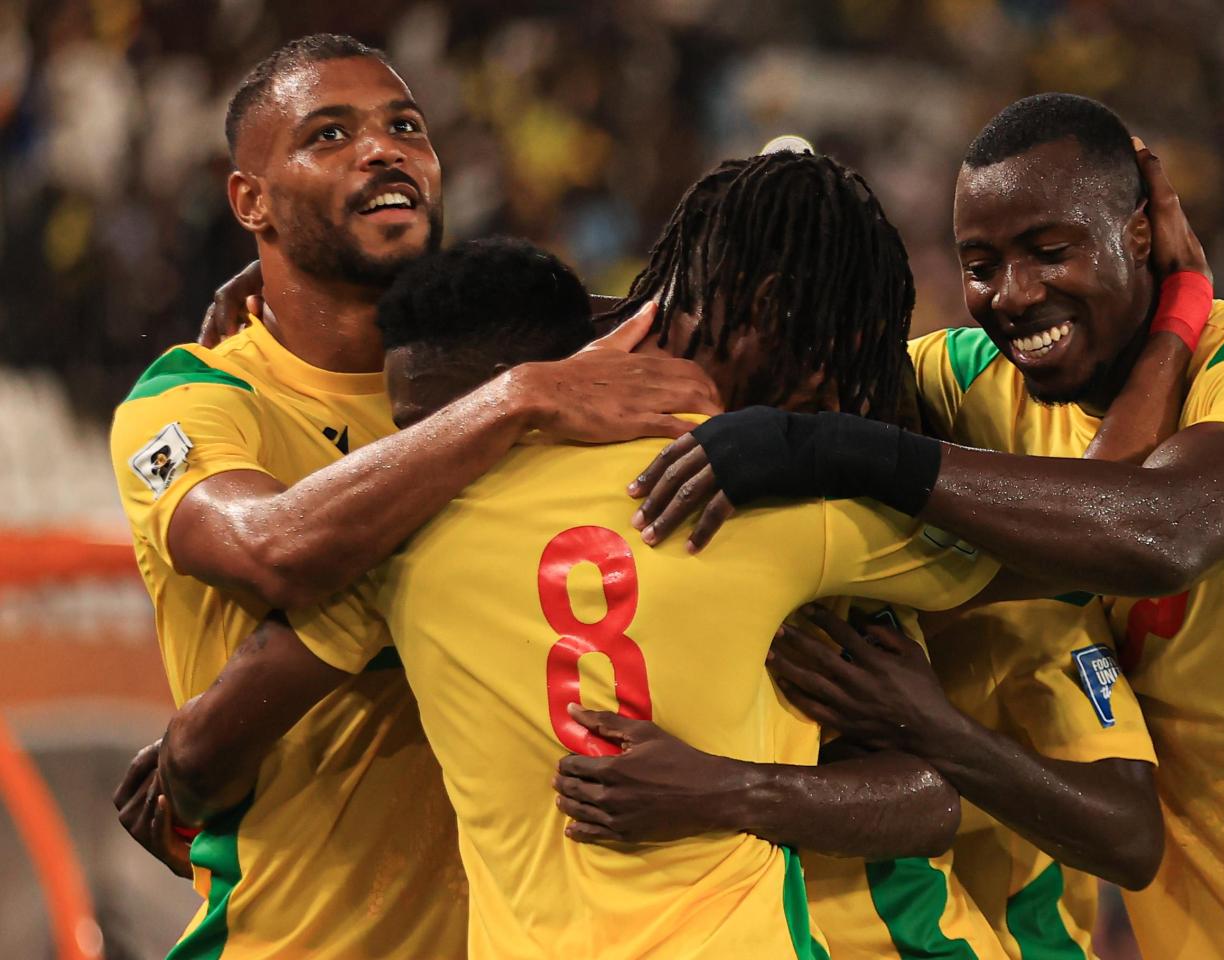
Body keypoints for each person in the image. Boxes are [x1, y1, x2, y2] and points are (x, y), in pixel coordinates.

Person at [633, 93, 1224, 959]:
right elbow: (778, 349)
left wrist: (841, 452)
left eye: (1050, 251)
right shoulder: (978, 384)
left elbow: (1162, 531)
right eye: (980, 265)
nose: (1013, 294)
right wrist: (539, 371)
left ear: (1139, 234)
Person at [149, 156, 1008, 960]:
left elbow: (201, 747)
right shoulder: (789, 502)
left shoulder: (399, 538)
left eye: (427, 421)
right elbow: (1005, 562)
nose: (429, 444)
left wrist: (181, 794)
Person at [107, 34, 715, 958]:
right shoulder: (196, 401)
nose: (384, 148)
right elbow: (276, 547)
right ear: (250, 201)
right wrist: (523, 401)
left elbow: (717, 305)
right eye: (328, 134)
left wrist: (526, 381)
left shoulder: (511, 354)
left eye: (406, 126)